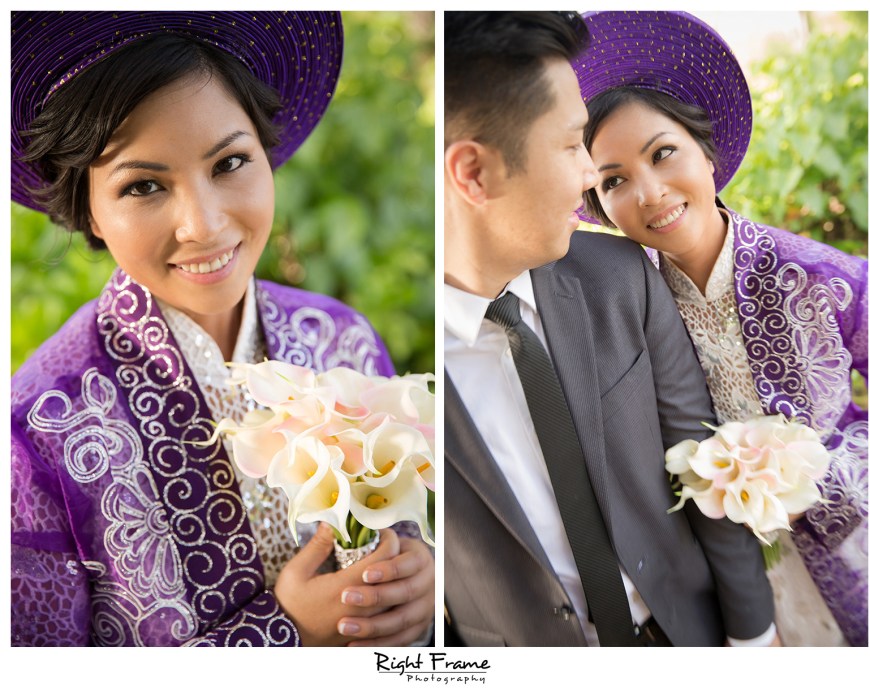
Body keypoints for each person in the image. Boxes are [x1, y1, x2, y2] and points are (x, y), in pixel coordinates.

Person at [10, 11, 434, 647]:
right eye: (144, 185)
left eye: (230, 162)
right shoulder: (33, 432)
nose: (203, 225)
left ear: (266, 154)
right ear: (87, 208)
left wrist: (415, 580)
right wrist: (282, 633)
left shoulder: (341, 339)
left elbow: (405, 530)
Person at [444, 11, 779, 647]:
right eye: (574, 146)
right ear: (473, 173)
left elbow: (701, 462)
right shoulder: (406, 370)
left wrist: (754, 639)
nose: (587, 180)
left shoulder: (620, 275)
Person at [575, 10, 867, 647]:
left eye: (663, 153)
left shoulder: (824, 277)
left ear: (707, 152)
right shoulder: (623, 305)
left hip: (853, 554)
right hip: (725, 593)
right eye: (615, 180)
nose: (649, 193)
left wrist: (813, 475)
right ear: (599, 205)